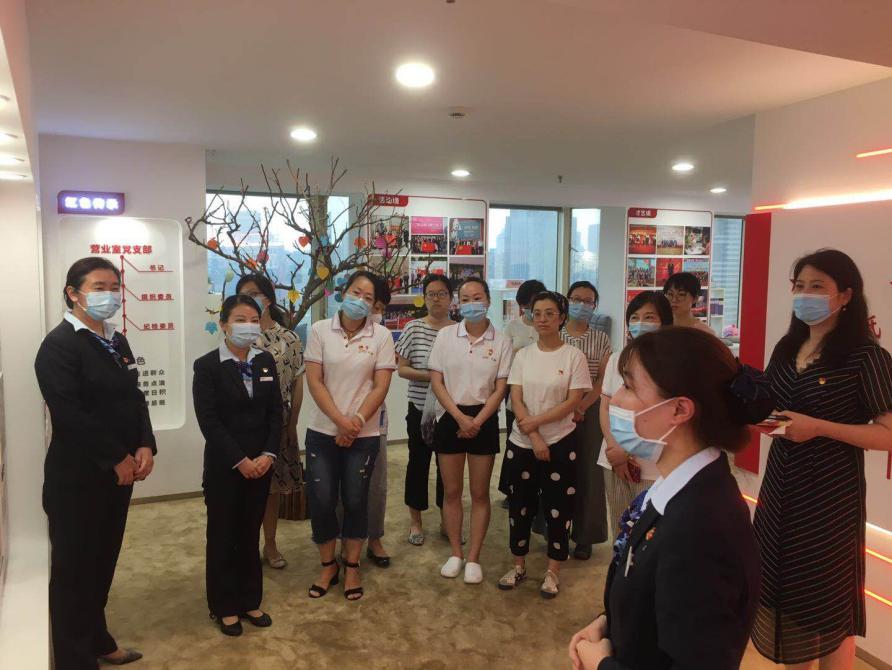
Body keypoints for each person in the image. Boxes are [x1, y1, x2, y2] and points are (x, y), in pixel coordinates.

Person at [569, 327, 767, 670]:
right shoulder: (677, 487)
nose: (615, 400)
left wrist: (601, 664)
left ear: (679, 410)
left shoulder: (701, 529)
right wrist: (609, 622)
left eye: (629, 387)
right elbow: (655, 595)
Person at [751, 249, 892, 669]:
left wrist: (819, 427)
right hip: (779, 491)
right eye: (799, 286)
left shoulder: (866, 357)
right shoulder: (787, 346)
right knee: (781, 594)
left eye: (817, 286)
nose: (805, 294)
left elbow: (888, 434)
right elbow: (772, 406)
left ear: (845, 295)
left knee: (827, 606)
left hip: (829, 499)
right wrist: (762, 418)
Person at [35, 257, 157, 669]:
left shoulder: (115, 340)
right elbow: (70, 413)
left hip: (118, 476)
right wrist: (115, 456)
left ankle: (98, 640)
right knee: (73, 573)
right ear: (74, 293)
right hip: (77, 479)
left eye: (114, 287)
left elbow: (134, 397)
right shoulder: (59, 346)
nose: (109, 295)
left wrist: (145, 443)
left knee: (102, 564)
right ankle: (74, 659)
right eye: (99, 287)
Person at [303, 270, 395, 601]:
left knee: (357, 500)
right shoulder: (319, 330)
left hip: (364, 433)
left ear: (374, 304)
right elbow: (315, 381)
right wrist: (340, 421)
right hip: (322, 431)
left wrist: (355, 421)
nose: (360, 301)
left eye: (368, 298)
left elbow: (381, 385)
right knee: (322, 500)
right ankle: (328, 565)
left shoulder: (382, 336)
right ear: (343, 292)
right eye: (356, 292)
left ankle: (352, 565)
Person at [193, 295, 282, 636]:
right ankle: (224, 605)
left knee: (249, 532)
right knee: (222, 534)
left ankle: (249, 599)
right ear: (224, 324)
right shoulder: (207, 366)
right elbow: (209, 421)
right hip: (225, 466)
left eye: (254, 320)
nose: (248, 326)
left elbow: (275, 412)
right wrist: (240, 460)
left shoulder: (265, 361)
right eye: (240, 319)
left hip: (261, 465)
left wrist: (268, 455)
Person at [498, 291, 591, 599]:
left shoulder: (573, 356)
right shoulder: (523, 355)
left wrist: (537, 424)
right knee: (519, 505)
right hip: (522, 442)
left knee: (558, 509)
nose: (542, 319)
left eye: (550, 313)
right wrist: (534, 435)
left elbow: (573, 401)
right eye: (537, 313)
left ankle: (553, 571)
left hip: (561, 442)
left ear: (562, 317)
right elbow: (516, 397)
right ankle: (518, 565)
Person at [428, 277, 513, 584]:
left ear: (488, 300)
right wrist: (459, 418)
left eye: (477, 297)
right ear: (458, 303)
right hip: (450, 415)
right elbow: (436, 381)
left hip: (484, 418)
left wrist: (476, 421)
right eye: (465, 299)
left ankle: (474, 557)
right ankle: (456, 552)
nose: (472, 303)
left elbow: (501, 388)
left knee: (479, 493)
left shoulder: (501, 341)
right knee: (451, 492)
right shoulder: (446, 336)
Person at [235, 273, 304, 570]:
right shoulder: (236, 336)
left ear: (268, 298)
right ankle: (244, 545)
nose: (251, 300)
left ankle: (271, 543)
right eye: (244, 294)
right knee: (244, 485)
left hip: (278, 420)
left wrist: (292, 425)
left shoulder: (289, 338)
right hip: (241, 422)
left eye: (255, 293)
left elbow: (297, 383)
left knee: (272, 487)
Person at [598, 291, 673, 531]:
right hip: (613, 458)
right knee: (621, 530)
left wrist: (627, 452)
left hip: (653, 464)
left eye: (649, 317)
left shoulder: (674, 363)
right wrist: (615, 448)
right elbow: (606, 405)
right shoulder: (617, 358)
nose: (640, 323)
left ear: (664, 322)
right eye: (634, 317)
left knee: (650, 533)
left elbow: (666, 416)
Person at [395, 273, 454, 546]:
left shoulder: (459, 331)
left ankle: (447, 520)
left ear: (451, 298)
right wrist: (433, 377)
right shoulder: (413, 328)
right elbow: (402, 369)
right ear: (424, 298)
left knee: (448, 469)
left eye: (442, 293)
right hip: (419, 409)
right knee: (418, 464)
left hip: (449, 410)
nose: (436, 299)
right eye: (431, 294)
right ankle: (416, 521)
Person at [561, 280, 611, 560]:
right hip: (557, 408)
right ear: (567, 300)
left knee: (589, 472)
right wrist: (568, 406)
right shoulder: (556, 334)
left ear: (594, 305)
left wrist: (582, 405)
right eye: (576, 299)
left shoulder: (601, 339)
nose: (581, 304)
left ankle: (585, 536)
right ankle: (555, 528)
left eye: (588, 301)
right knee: (557, 468)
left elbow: (603, 378)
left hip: (590, 409)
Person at [497, 279, 547, 503]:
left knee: (541, 439)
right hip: (516, 391)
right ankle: (511, 490)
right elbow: (504, 361)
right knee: (515, 440)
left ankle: (538, 490)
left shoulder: (548, 325)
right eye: (525, 305)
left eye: (532, 303)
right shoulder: (512, 327)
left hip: (543, 391)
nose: (528, 309)